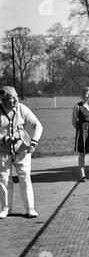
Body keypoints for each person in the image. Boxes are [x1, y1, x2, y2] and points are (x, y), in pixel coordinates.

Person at [0, 86, 43, 219]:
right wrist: (3, 139)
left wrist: (34, 142)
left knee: (25, 178)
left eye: (16, 97)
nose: (15, 101)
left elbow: (38, 125)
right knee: (4, 179)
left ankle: (30, 208)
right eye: (10, 99)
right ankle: (6, 208)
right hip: (3, 151)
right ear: (2, 100)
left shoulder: (22, 108)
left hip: (22, 151)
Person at [71, 86, 89, 182]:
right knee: (82, 154)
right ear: (83, 94)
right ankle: (82, 175)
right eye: (87, 94)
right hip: (82, 133)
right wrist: (81, 129)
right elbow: (74, 122)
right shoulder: (77, 106)